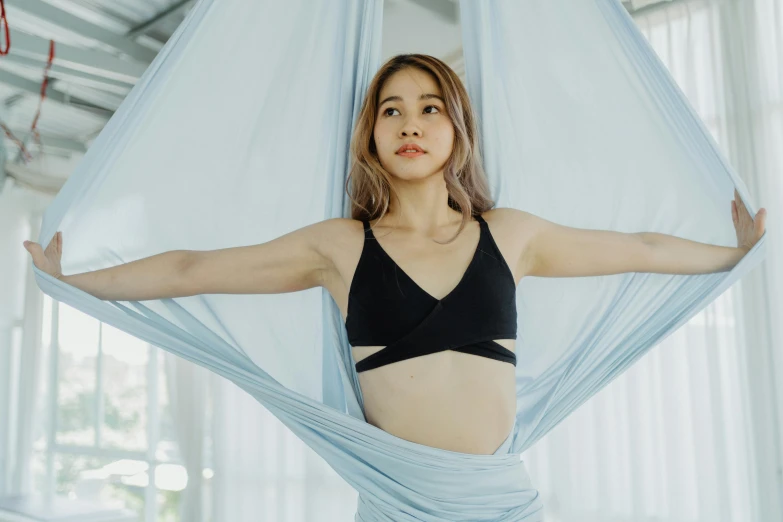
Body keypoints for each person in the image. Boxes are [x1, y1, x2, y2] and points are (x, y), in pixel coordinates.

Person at [23, 54, 766, 457]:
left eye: (429, 107)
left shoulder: (510, 234)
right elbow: (190, 269)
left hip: (495, 503)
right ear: (372, 136)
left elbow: (638, 248)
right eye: (391, 110)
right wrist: (73, 280)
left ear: (456, 131)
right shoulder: (339, 248)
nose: (409, 123)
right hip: (397, 500)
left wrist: (735, 252)